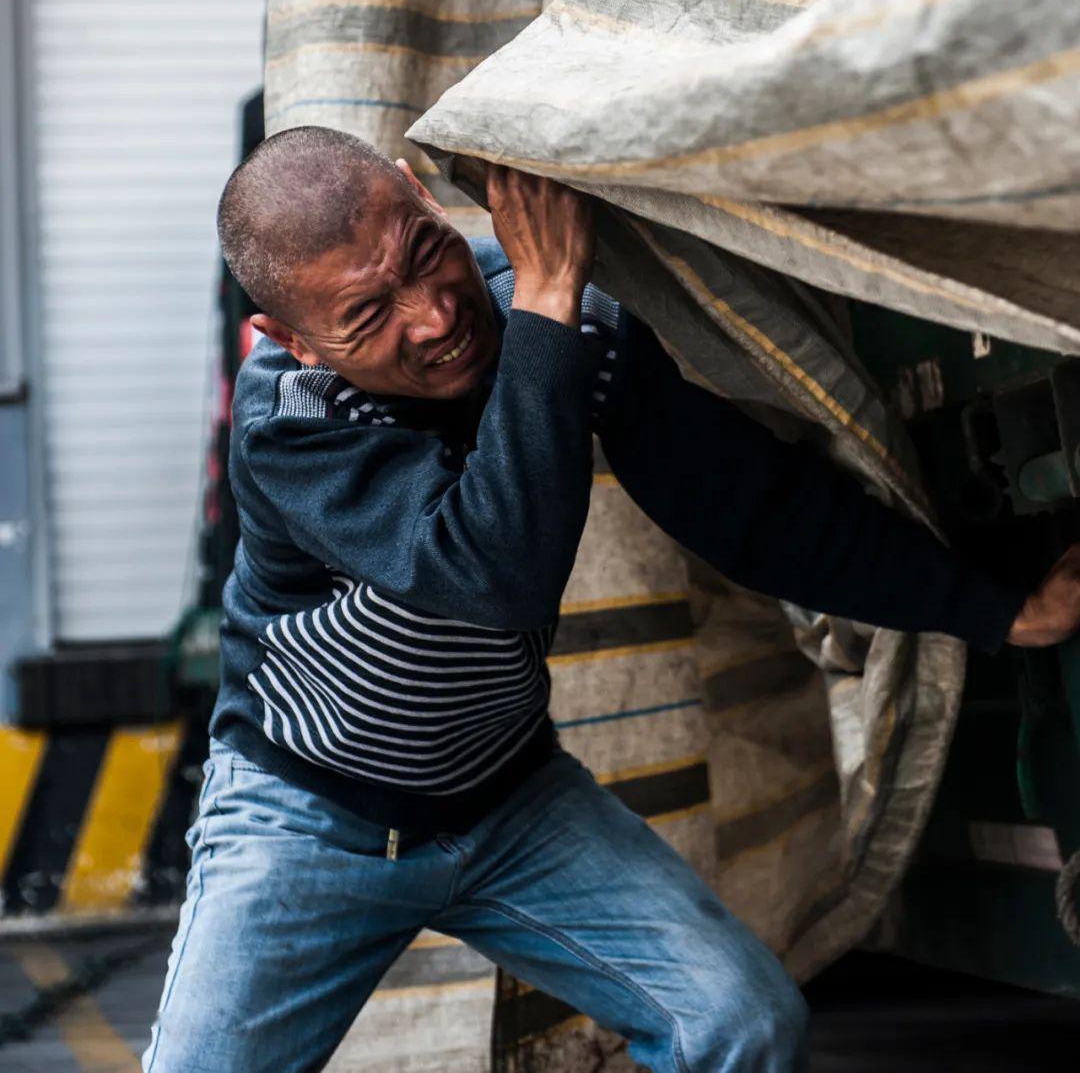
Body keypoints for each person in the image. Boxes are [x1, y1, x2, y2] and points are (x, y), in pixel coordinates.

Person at [143, 127, 1080, 1073]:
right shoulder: (294, 423)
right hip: (310, 816)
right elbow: (488, 575)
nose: (432, 315)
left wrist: (995, 608)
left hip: (510, 802)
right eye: (369, 313)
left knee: (742, 1023)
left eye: (426, 252)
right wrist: (548, 304)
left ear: (416, 188)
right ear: (291, 338)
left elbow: (751, 509)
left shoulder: (557, 320)